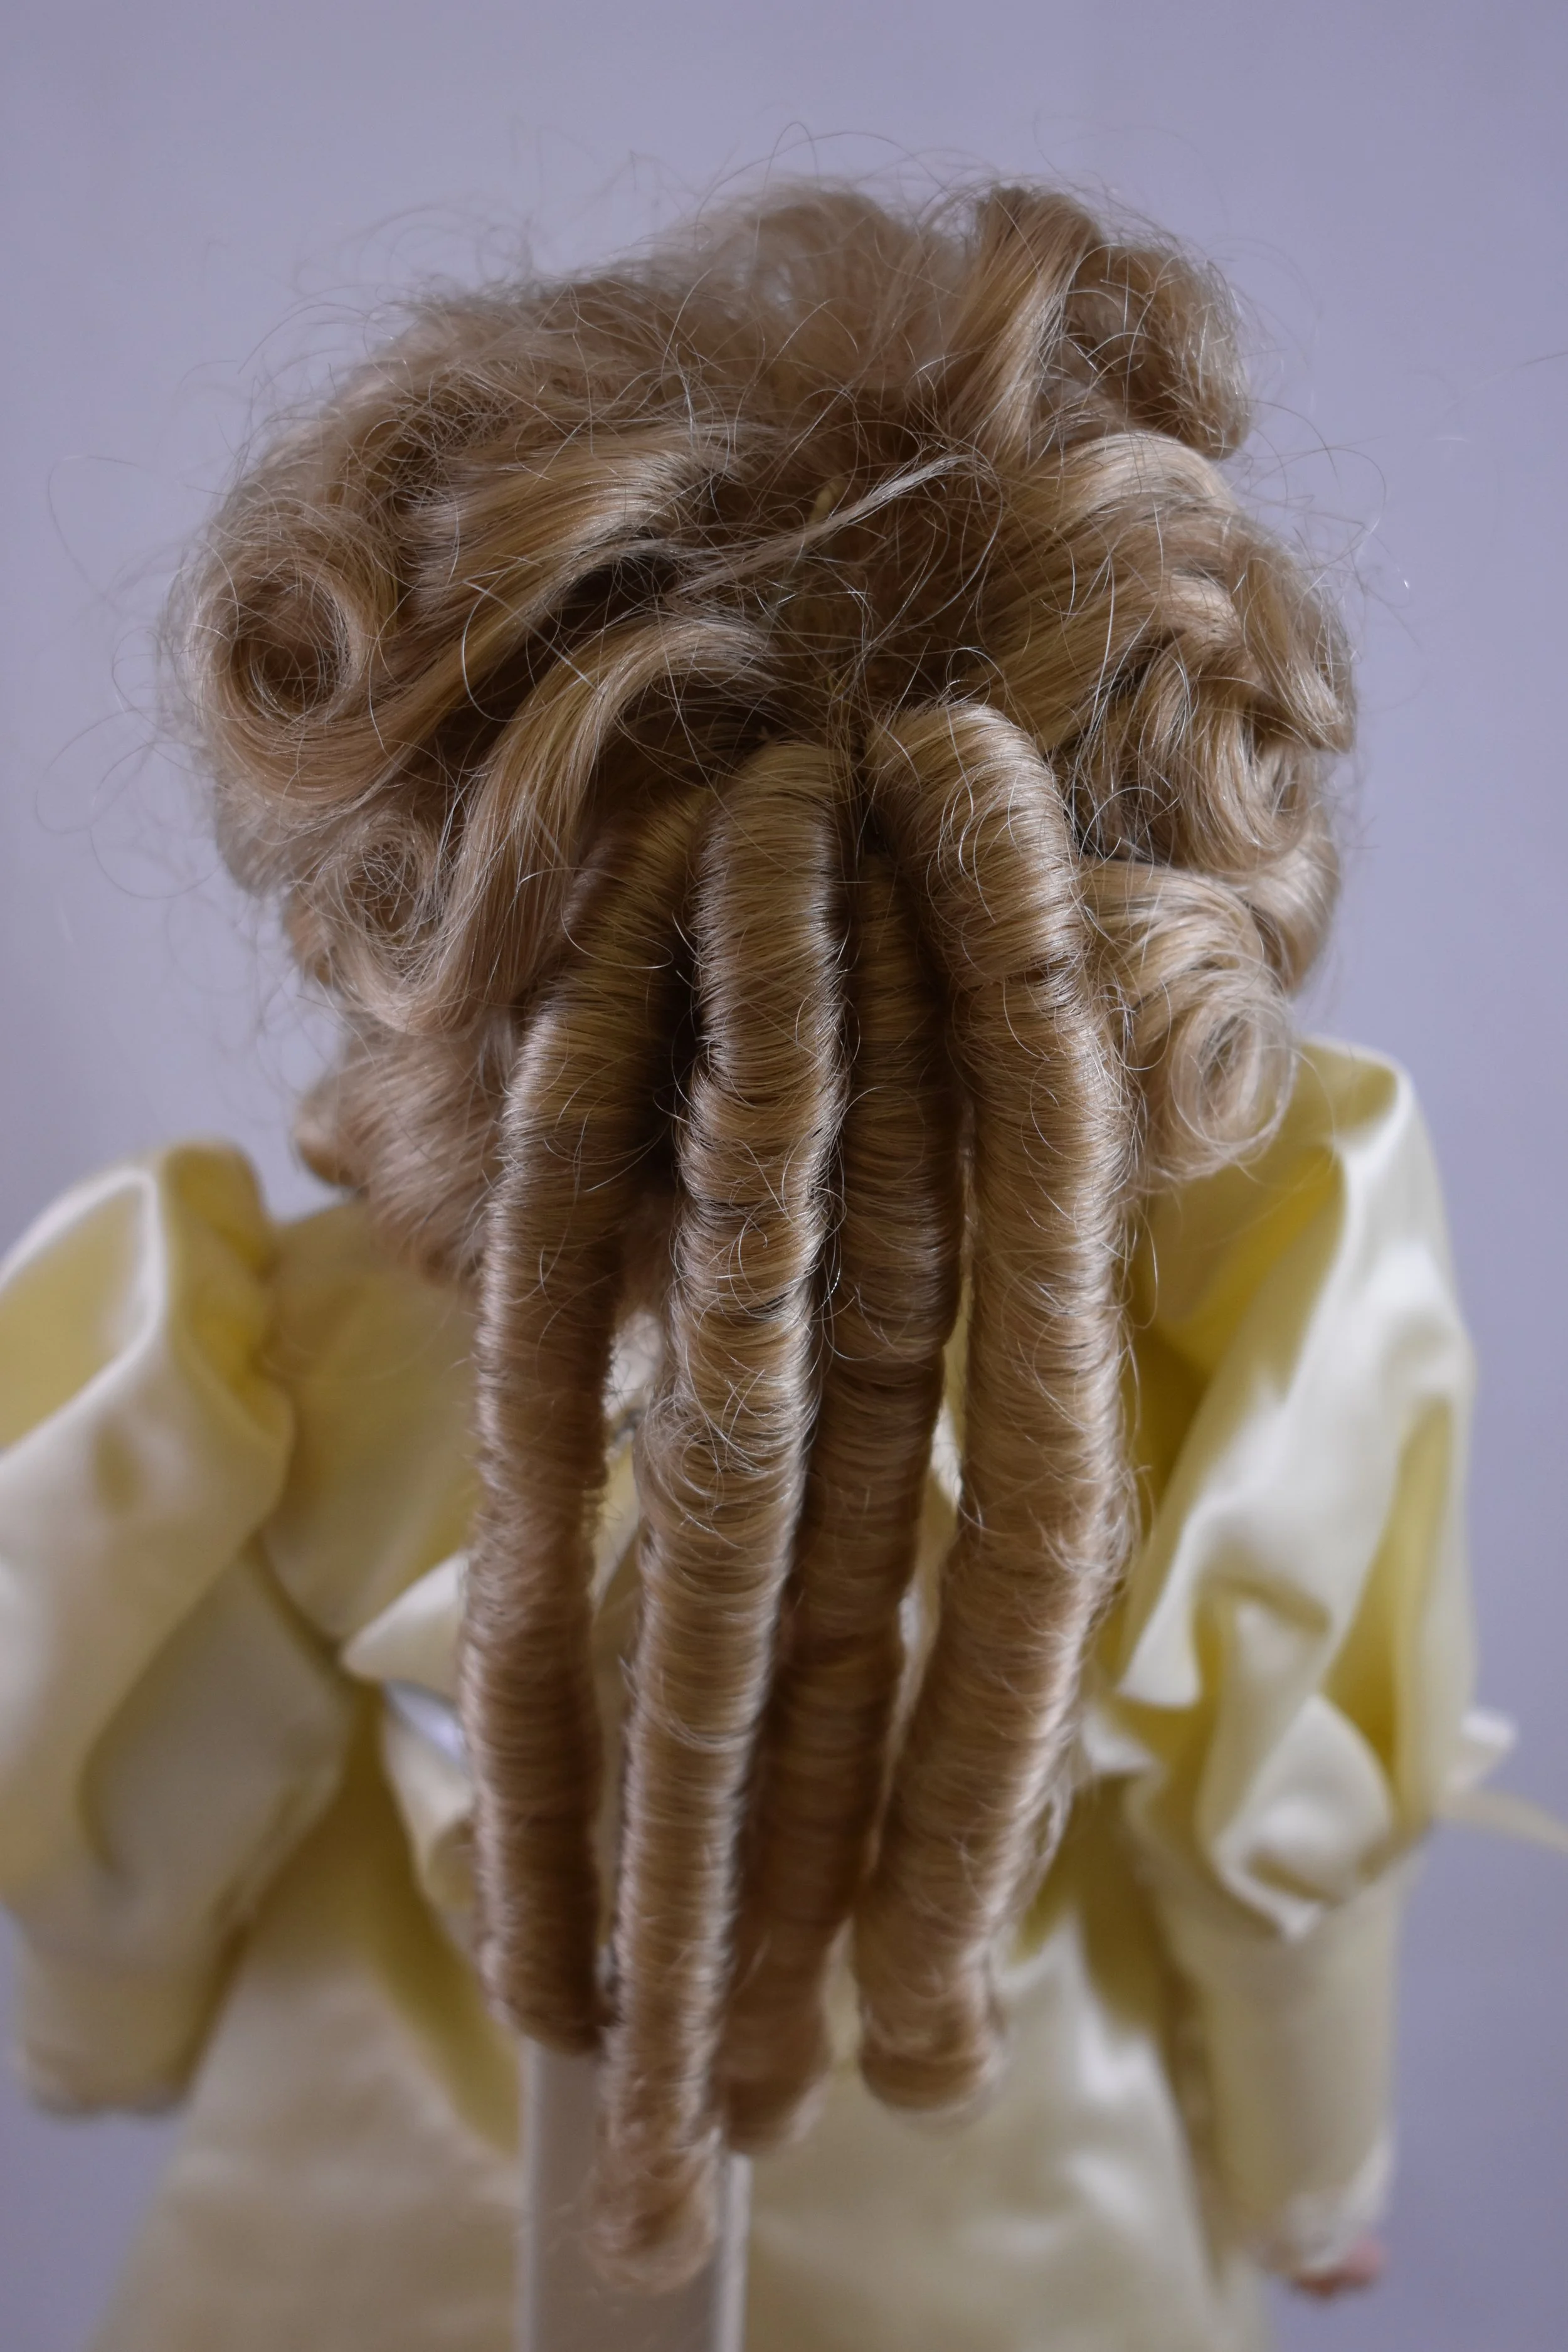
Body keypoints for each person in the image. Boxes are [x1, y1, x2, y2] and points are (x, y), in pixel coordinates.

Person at [0, 183, 1495, 2351]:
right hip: (1003, 2249)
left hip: (359, 2240)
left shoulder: (274, 1361)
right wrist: (1306, 2167)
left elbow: (145, 1806)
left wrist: (99, 2038)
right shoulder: (1213, 1376)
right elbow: (1279, 1856)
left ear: (435, 904)